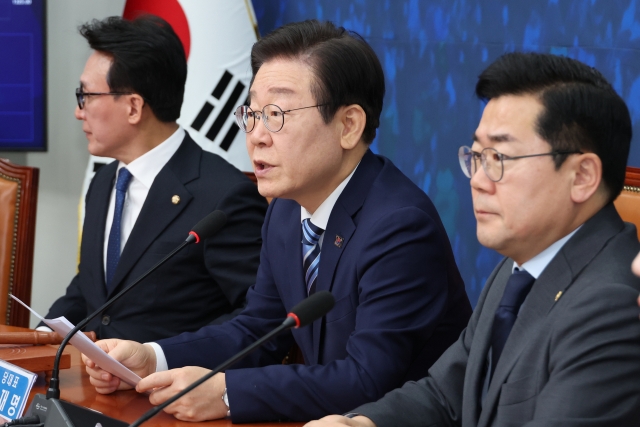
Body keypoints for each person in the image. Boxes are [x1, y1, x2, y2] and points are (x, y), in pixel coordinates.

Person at [81, 19, 472, 423]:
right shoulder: (286, 210)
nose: (256, 136)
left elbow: (368, 378)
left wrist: (229, 393)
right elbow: (258, 329)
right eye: (251, 113)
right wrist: (153, 357)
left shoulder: (400, 226)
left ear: (348, 125)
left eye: (277, 114)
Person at [307, 52, 640, 427]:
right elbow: (446, 395)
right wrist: (359, 424)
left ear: (582, 176)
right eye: (477, 156)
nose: (478, 180)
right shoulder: (516, 270)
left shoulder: (614, 306)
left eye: (499, 157)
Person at [40, 16, 267, 342]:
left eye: (86, 95)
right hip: (92, 386)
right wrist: (39, 340)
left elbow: (258, 317)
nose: (79, 111)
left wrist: (159, 359)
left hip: (172, 387)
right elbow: (91, 290)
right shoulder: (104, 182)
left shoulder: (224, 196)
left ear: (134, 107)